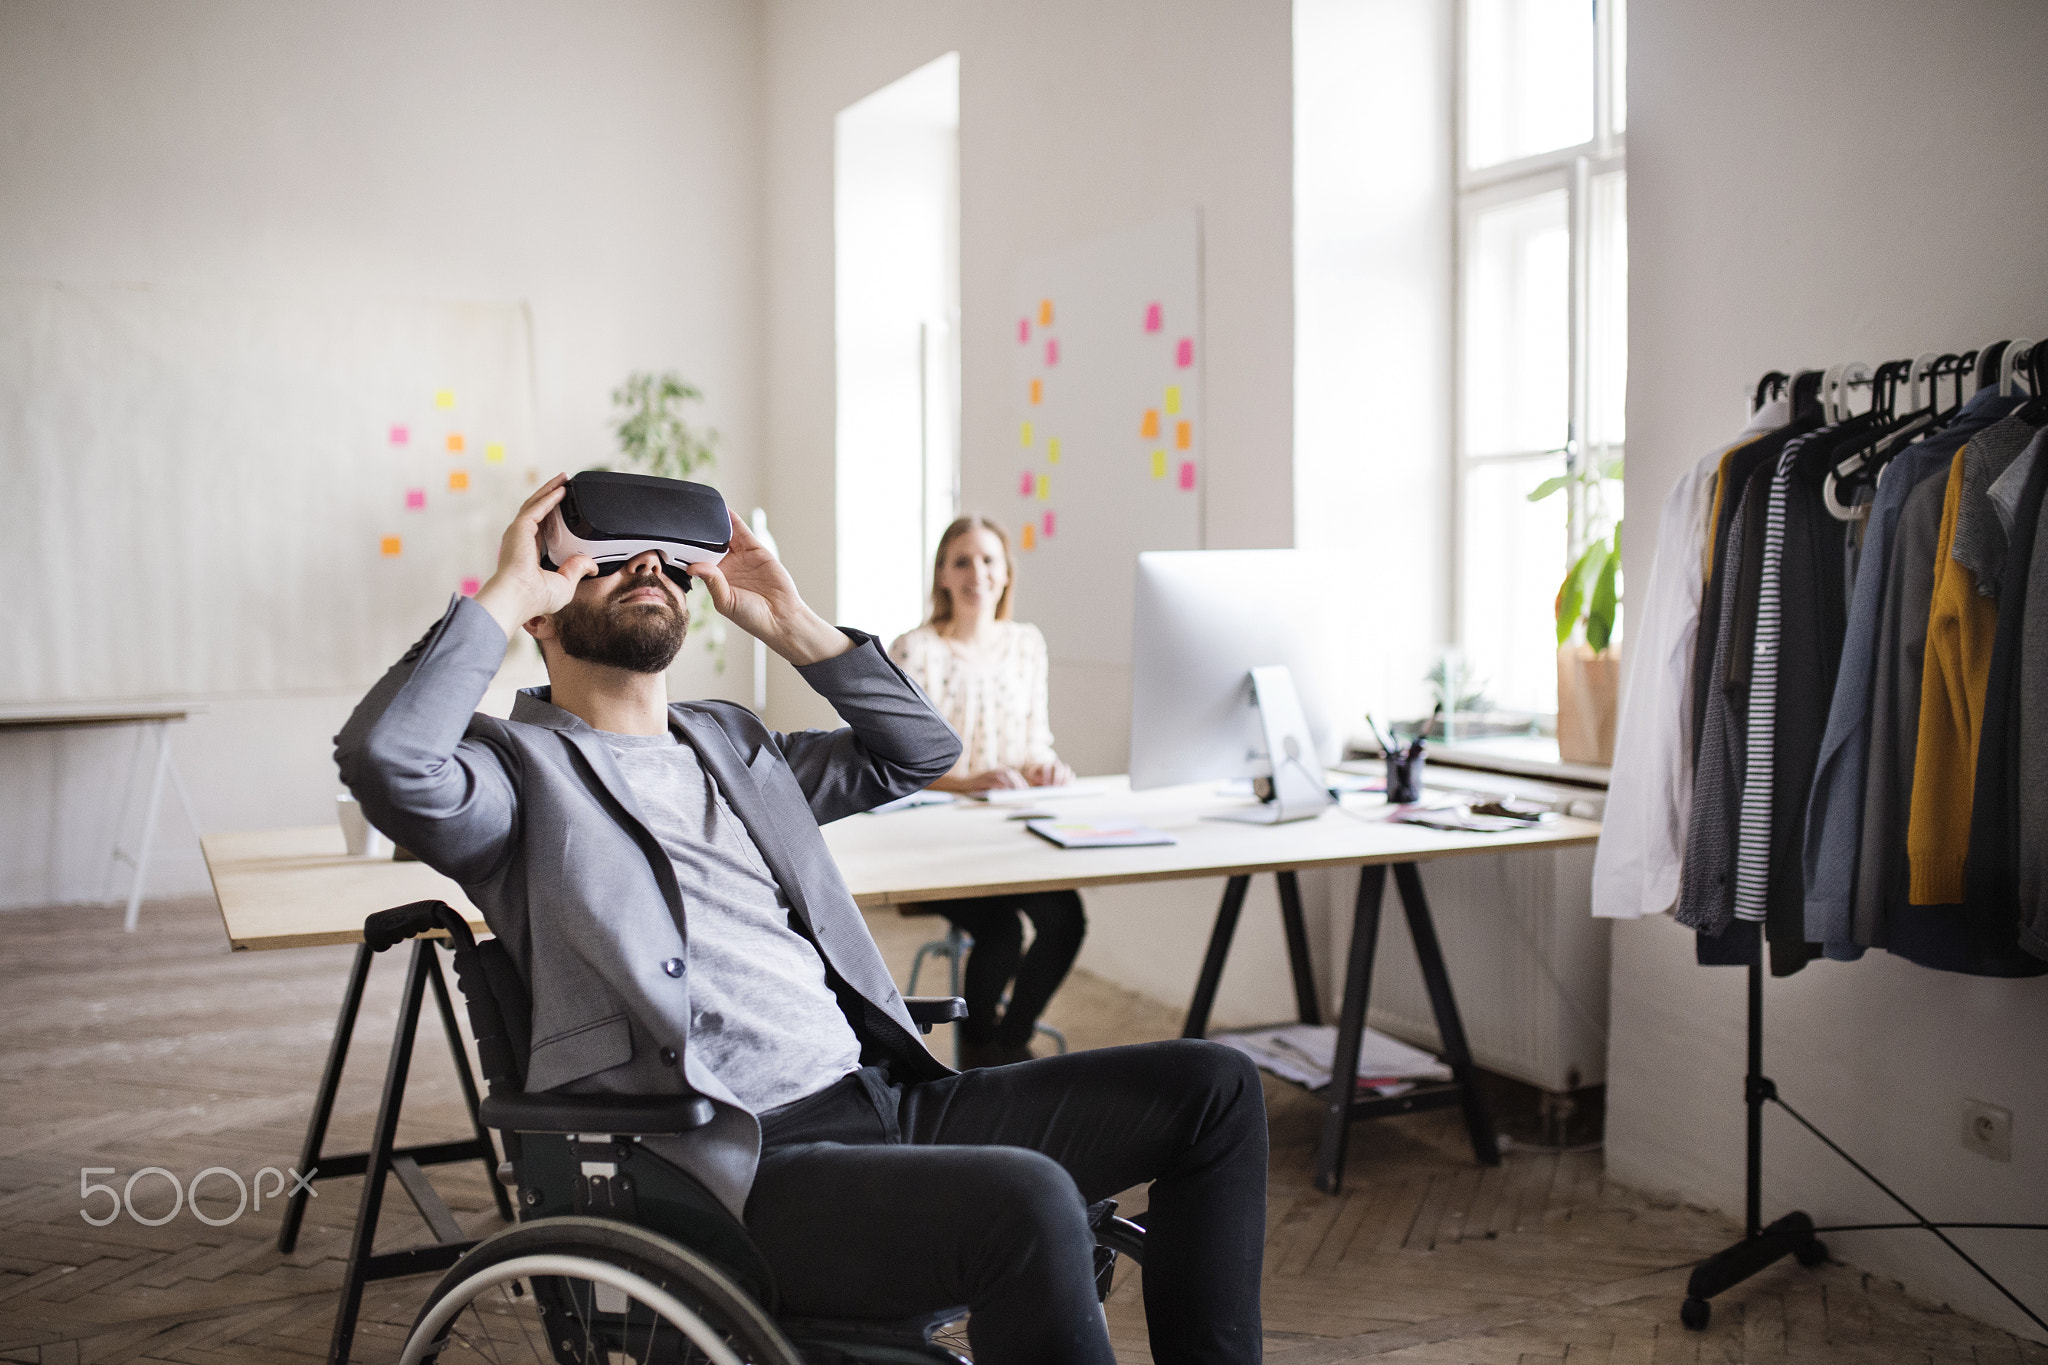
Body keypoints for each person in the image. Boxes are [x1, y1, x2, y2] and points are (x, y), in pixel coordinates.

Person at [335, 475, 1268, 1365]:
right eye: (611, 557)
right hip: (744, 1169)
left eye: (664, 557)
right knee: (1027, 1201)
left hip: (888, 1103)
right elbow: (387, 759)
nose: (649, 567)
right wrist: (499, 594)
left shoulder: (734, 742)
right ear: (545, 606)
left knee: (1215, 1088)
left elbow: (922, 751)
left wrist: (789, 620)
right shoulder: (512, 779)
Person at [891, 516, 1087, 1068]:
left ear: (1006, 575)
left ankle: (1008, 1044)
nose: (976, 572)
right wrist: (964, 782)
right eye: (962, 561)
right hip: (935, 841)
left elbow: (1034, 743)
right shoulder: (916, 650)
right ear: (943, 576)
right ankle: (981, 1058)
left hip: (1008, 834)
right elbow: (895, 762)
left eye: (988, 561)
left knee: (1064, 919)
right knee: (1000, 932)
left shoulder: (1027, 645)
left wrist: (1046, 768)